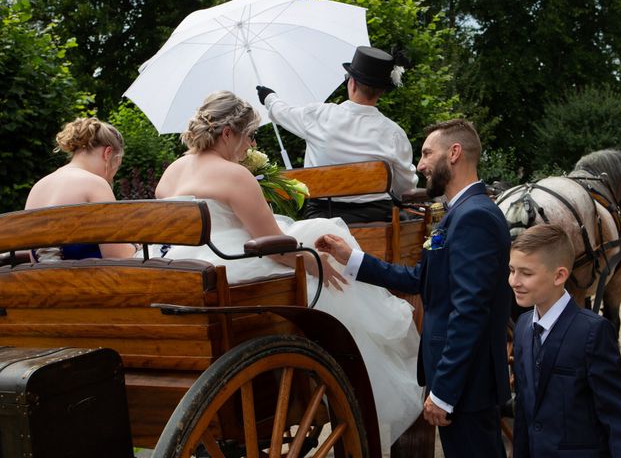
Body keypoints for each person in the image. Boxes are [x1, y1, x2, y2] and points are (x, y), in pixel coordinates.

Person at [150, 90, 424, 450]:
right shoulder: (233, 175)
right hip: (229, 270)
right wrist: (317, 263)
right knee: (319, 241)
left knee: (309, 236)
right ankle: (351, 373)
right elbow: (277, 248)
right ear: (228, 133)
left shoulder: (171, 172)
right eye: (249, 136)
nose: (250, 145)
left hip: (178, 272)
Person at [316, 118, 512, 458]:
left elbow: (470, 311)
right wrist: (353, 258)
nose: (420, 165)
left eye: (426, 153)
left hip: (468, 384)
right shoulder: (459, 214)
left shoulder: (474, 217)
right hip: (461, 381)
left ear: (454, 153)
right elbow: (421, 280)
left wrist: (445, 392)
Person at [509, 224, 621, 457]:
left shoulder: (593, 332)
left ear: (559, 275)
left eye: (526, 273)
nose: (514, 281)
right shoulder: (522, 328)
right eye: (511, 270)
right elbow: (525, 410)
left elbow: (620, 417)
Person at [256, 46, 418, 223]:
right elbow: (405, 188)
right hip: (379, 223)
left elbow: (282, 112)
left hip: (324, 220)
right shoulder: (394, 133)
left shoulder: (318, 116)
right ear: (381, 91)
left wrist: (269, 97)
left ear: (352, 82)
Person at [25, 117, 136, 260]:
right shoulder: (95, 184)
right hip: (89, 281)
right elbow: (117, 255)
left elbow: (32, 257)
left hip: (39, 281)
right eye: (117, 163)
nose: (113, 175)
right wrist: (134, 246)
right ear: (108, 153)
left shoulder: (38, 187)